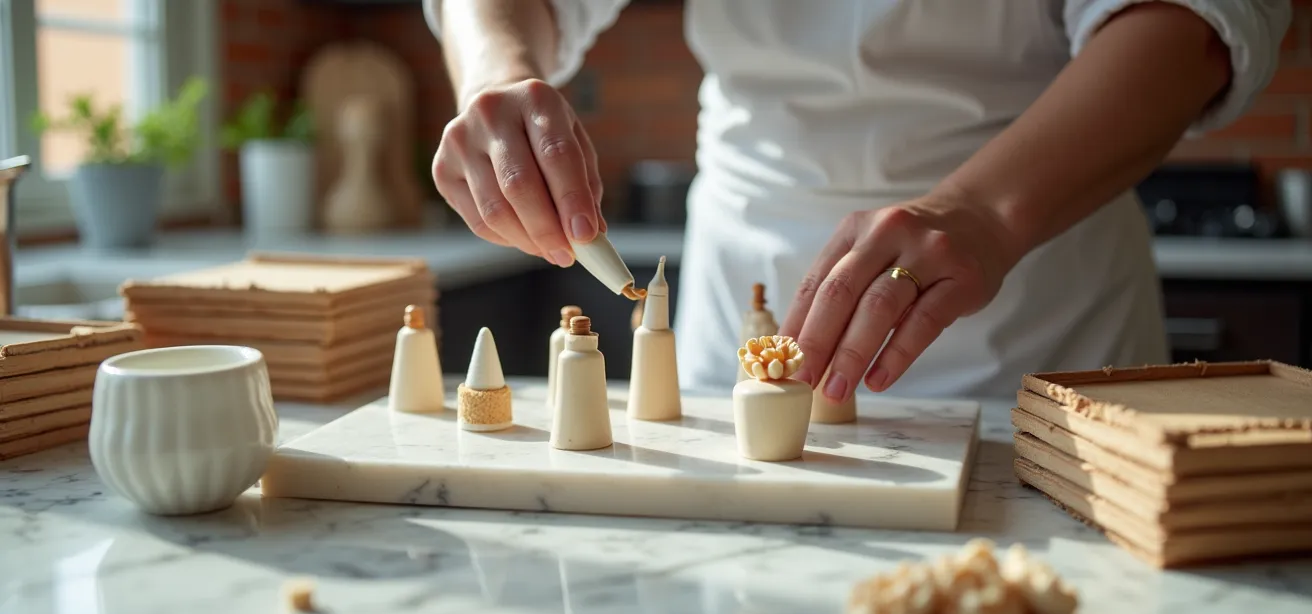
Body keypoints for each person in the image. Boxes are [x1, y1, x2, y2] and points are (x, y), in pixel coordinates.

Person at [422, 0, 1290, 400]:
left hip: (1038, 304)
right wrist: (497, 77)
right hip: (741, 292)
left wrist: (985, 214)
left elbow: (1194, 21)